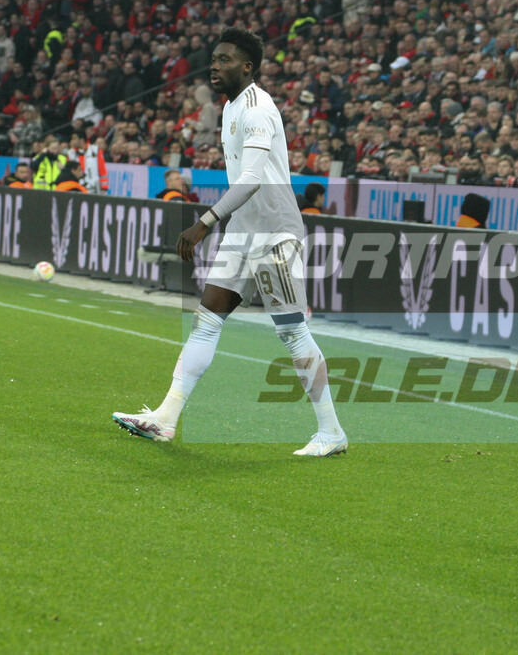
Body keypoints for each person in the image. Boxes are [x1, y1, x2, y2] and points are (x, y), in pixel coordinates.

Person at [112, 28, 347, 457]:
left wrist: (205, 221)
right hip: (243, 231)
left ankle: (331, 432)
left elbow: (253, 179)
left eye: (223, 60)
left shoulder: (258, 108)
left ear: (247, 67)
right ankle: (165, 418)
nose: (214, 66)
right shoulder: (231, 107)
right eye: (213, 59)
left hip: (276, 233)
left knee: (293, 334)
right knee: (207, 320)